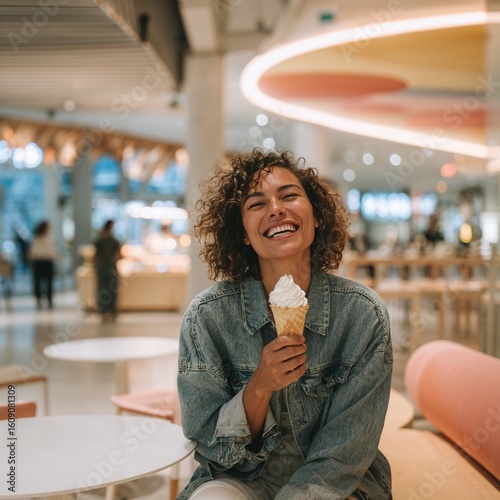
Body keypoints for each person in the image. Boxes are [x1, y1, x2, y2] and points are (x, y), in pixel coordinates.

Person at [177, 149, 393, 499]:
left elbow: (344, 454)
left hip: (335, 482)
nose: (276, 208)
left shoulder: (361, 314)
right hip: (242, 479)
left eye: (290, 195)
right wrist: (259, 387)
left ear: (317, 217)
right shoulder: (208, 317)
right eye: (256, 204)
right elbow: (211, 448)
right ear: (244, 234)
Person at [93, 220, 121, 322]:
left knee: (102, 290)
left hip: (102, 268)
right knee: (111, 290)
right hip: (110, 268)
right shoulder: (113, 241)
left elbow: (96, 256)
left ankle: (105, 312)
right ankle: (111, 311)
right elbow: (118, 255)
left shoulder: (100, 240)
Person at [28, 220, 58, 309]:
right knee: (39, 282)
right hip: (41, 261)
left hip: (44, 262)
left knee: (48, 282)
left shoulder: (45, 238)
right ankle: (39, 299)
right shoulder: (37, 238)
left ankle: (49, 299)